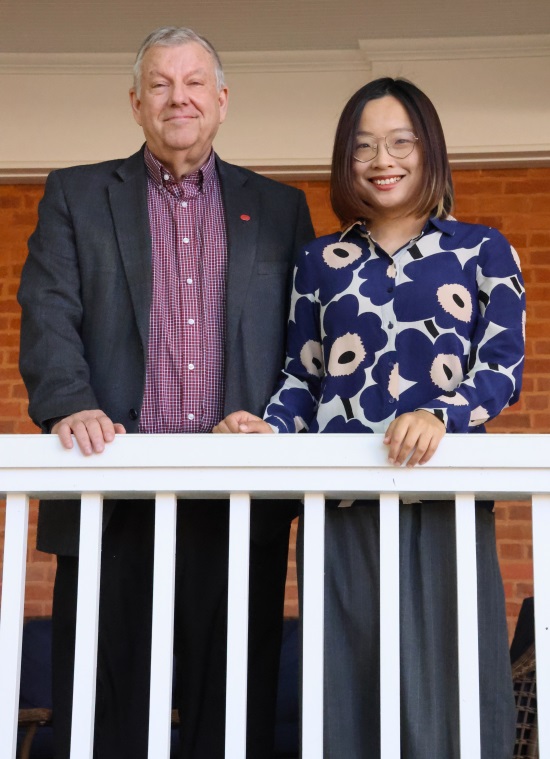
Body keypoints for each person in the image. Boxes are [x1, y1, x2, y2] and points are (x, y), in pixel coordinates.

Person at [17, 26, 314, 759]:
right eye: (160, 84)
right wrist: (69, 402)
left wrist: (276, 421)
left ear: (221, 100)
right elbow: (48, 309)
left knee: (233, 717)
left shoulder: (281, 208)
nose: (177, 97)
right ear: (136, 103)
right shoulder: (76, 193)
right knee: (105, 715)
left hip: (238, 503)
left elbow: (305, 338)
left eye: (192, 84)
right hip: (109, 493)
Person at [214, 77, 526, 758]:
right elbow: (303, 373)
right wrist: (270, 428)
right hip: (342, 505)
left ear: (429, 150)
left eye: (399, 142)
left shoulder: (482, 250)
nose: (381, 159)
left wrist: (441, 413)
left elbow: (503, 367)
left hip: (445, 500)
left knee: (449, 689)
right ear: (345, 161)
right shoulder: (319, 261)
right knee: (347, 688)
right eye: (363, 147)